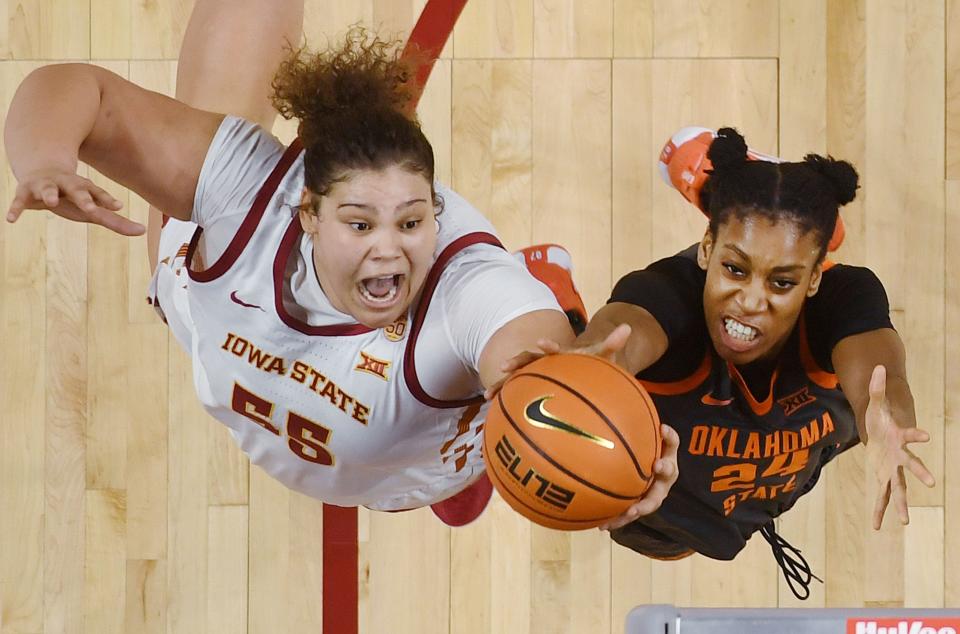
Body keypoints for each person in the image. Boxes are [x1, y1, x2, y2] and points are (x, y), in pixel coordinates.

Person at [3, 1, 676, 527]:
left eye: (413, 222)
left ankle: (525, 338)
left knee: (468, 460)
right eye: (360, 223)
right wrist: (45, 160)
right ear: (307, 214)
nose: (390, 248)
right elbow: (75, 90)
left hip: (412, 470)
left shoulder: (466, 289)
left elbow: (534, 364)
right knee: (201, 145)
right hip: (215, 317)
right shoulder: (246, 187)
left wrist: (585, 410)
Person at [511, 127, 935, 599]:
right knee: (655, 534)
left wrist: (885, 423)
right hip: (683, 490)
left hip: (753, 487)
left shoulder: (843, 297)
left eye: (782, 283)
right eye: (734, 270)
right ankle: (556, 302)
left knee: (790, 225)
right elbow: (628, 329)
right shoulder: (670, 293)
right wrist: (592, 363)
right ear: (705, 250)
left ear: (814, 280)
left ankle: (746, 182)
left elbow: (881, 376)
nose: (751, 302)